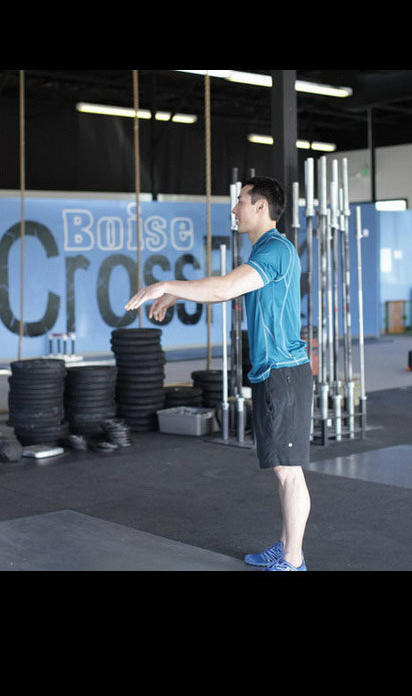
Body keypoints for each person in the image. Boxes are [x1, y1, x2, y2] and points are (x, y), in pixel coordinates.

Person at [124, 176, 313, 571]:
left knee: (288, 472)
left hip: (285, 374)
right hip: (270, 372)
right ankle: (285, 546)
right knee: (281, 469)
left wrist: (164, 285)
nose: (234, 208)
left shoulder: (276, 249)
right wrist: (178, 293)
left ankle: (293, 560)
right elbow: (224, 286)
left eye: (241, 201)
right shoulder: (264, 252)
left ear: (261, 207)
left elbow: (225, 288)